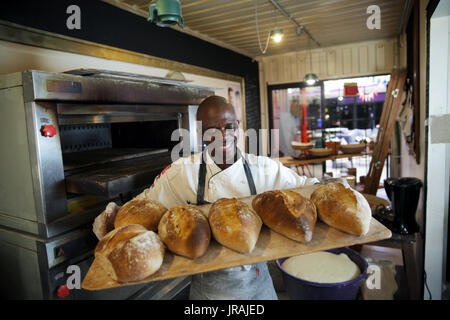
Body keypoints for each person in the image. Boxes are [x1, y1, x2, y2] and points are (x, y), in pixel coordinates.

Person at [93, 95, 319, 300]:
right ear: (200, 132)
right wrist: (113, 215)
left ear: (238, 127)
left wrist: (333, 186)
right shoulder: (182, 173)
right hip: (209, 292)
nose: (223, 136)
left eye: (229, 126)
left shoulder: (265, 169)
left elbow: (310, 190)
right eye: (212, 129)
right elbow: (143, 208)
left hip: (260, 288)